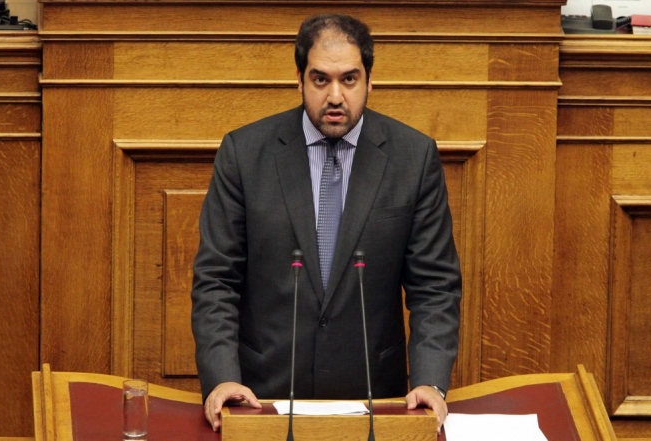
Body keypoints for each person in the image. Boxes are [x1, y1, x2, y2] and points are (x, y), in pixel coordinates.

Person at [191, 13, 462, 434]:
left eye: (349, 79)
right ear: (299, 81)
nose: (335, 96)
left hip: (375, 398)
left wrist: (430, 382)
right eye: (321, 79)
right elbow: (216, 279)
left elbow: (435, 286)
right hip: (261, 399)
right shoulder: (244, 154)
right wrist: (223, 377)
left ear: (370, 82)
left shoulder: (413, 158)